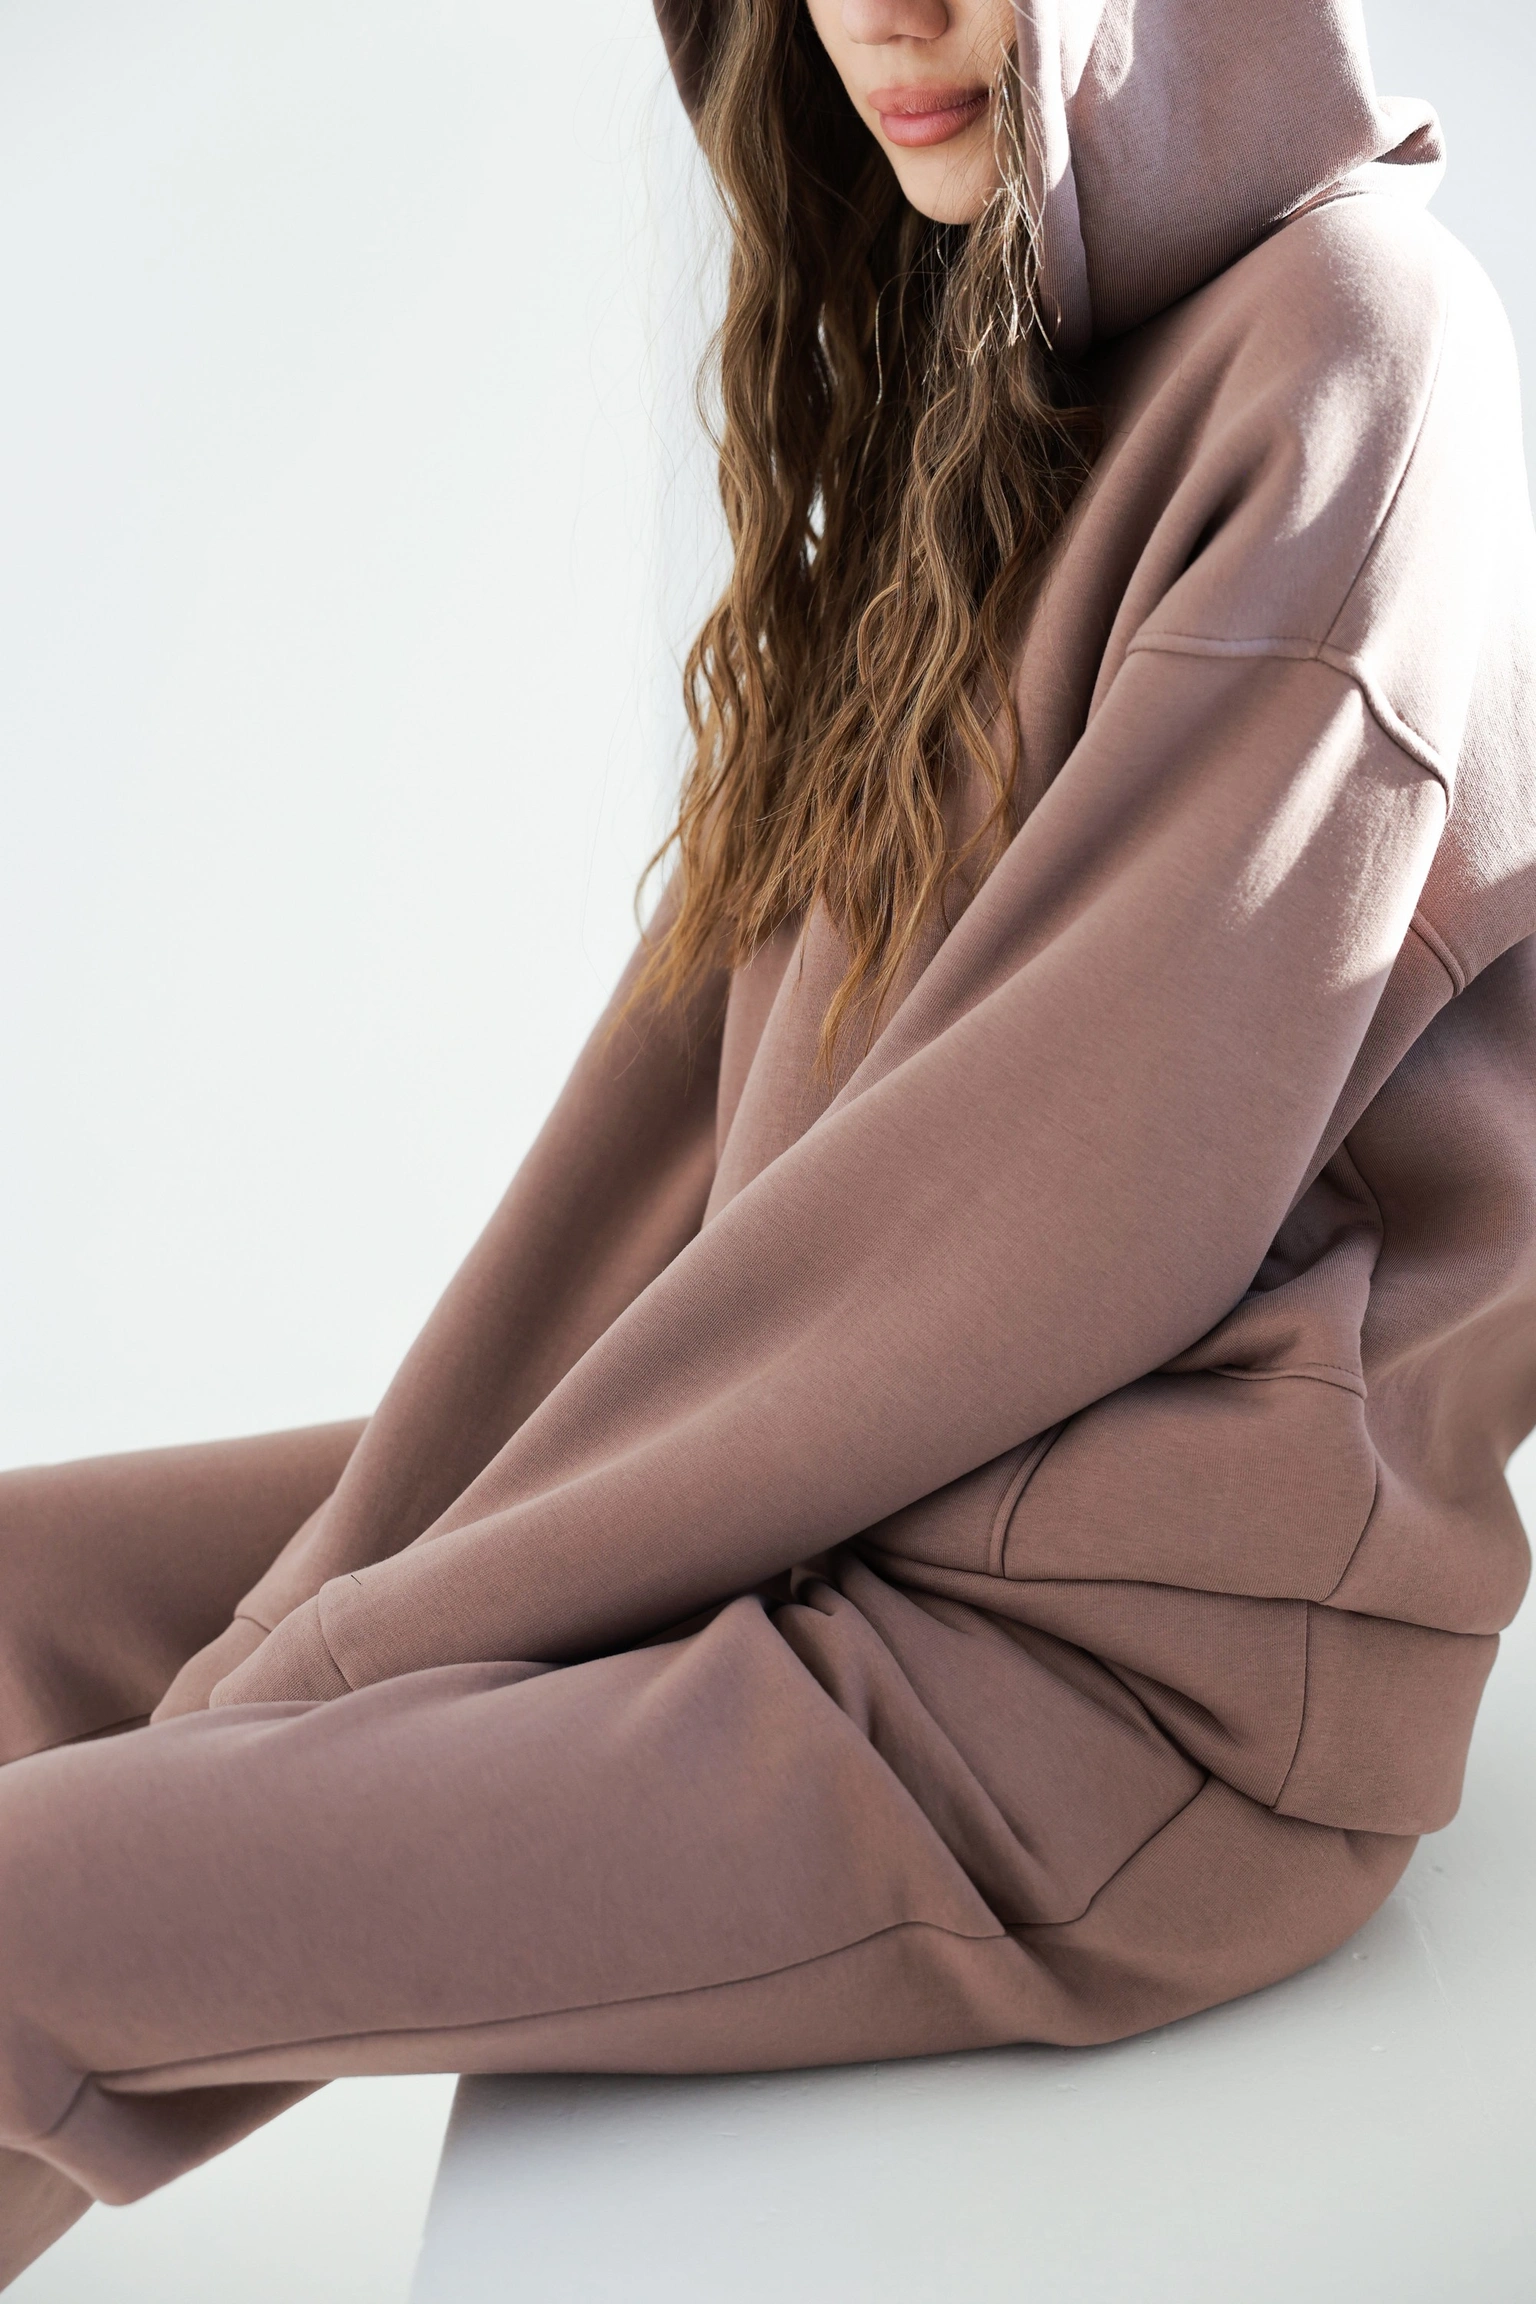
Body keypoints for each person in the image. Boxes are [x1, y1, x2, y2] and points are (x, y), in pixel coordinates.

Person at [4, 0, 1535, 2282]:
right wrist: (345, 1587)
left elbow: (1033, 1233)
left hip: (1108, 1712)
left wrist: (317, 1672)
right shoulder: (985, 369)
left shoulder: (1352, 359)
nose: (879, 18)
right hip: (842, 1516)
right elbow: (680, 1146)